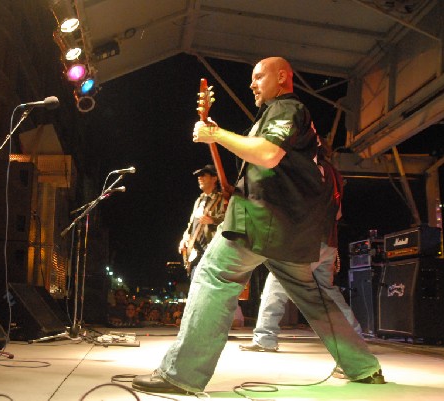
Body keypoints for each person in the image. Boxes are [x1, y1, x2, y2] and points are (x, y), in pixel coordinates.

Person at [132, 56, 384, 394]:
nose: (252, 84)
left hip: (262, 220)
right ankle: (364, 367)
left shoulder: (286, 107)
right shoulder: (285, 116)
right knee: (314, 296)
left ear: (282, 77)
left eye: (258, 76)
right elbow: (271, 167)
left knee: (214, 275)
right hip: (292, 228)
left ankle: (183, 375)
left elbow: (267, 154)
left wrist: (217, 133)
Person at [241, 138, 362, 352]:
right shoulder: (334, 172)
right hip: (329, 241)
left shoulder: (309, 169)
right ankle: (355, 334)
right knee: (327, 291)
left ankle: (265, 338)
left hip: (307, 241)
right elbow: (338, 212)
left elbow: (299, 205)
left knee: (276, 284)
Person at [178, 164, 225, 279]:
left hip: (213, 252)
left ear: (214, 178)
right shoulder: (199, 200)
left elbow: (230, 219)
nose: (200, 178)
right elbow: (191, 224)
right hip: (196, 253)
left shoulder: (222, 198)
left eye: (203, 175)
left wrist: (212, 220)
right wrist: (185, 238)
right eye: (199, 176)